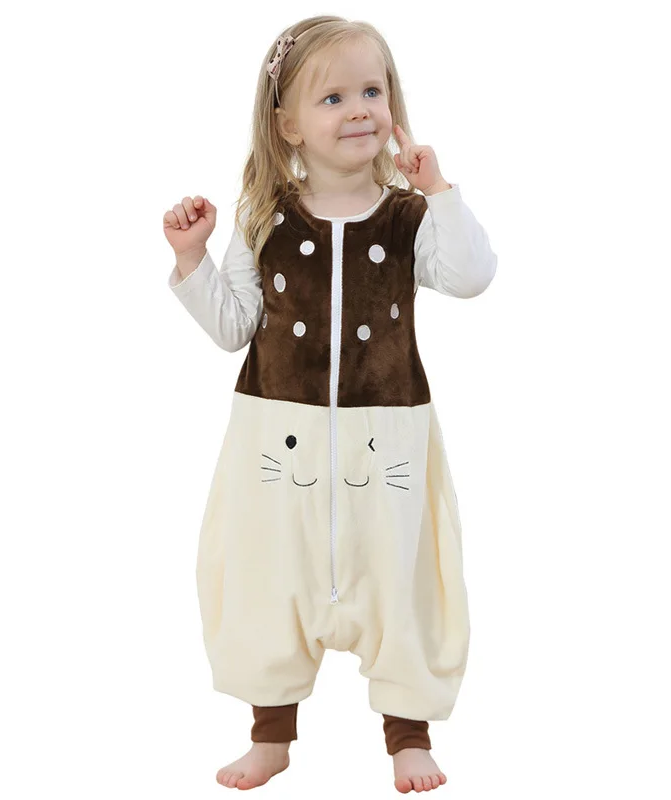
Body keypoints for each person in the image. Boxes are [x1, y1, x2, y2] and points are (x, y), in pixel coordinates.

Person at [162, 15, 497, 794]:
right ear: (288, 125)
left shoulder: (409, 216)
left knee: (399, 571)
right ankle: (271, 734)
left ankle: (408, 735)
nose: (359, 110)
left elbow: (472, 276)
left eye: (373, 91)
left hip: (387, 433)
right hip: (279, 432)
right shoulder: (263, 217)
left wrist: (439, 191)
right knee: (270, 570)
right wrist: (192, 260)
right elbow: (233, 327)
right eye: (334, 97)